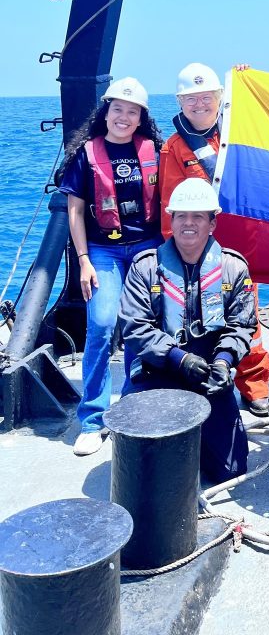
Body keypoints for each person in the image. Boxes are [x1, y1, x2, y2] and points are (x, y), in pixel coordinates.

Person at [118, 178, 253, 483]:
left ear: (212, 224)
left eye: (197, 217)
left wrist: (223, 362)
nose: (188, 224)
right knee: (150, 474)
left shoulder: (234, 269)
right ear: (171, 220)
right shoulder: (145, 268)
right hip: (159, 373)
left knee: (230, 471)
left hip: (209, 375)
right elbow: (135, 328)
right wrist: (178, 358)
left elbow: (242, 325)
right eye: (181, 216)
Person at [58, 77, 163, 456]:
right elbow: (74, 211)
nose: (123, 116)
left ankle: (133, 405)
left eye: (131, 111)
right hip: (102, 251)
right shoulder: (87, 154)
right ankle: (92, 419)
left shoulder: (155, 150)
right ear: (106, 112)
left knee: (141, 327)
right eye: (117, 108)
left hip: (147, 249)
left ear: (141, 118)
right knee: (101, 325)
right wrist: (84, 260)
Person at [159, 62, 269, 414]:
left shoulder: (242, 131)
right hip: (202, 249)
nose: (199, 105)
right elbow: (171, 205)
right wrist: (179, 252)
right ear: (179, 102)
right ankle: (202, 376)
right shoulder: (174, 149)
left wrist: (250, 85)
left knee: (245, 319)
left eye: (206, 97)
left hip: (245, 246)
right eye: (190, 99)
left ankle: (254, 387)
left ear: (220, 98)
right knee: (198, 317)